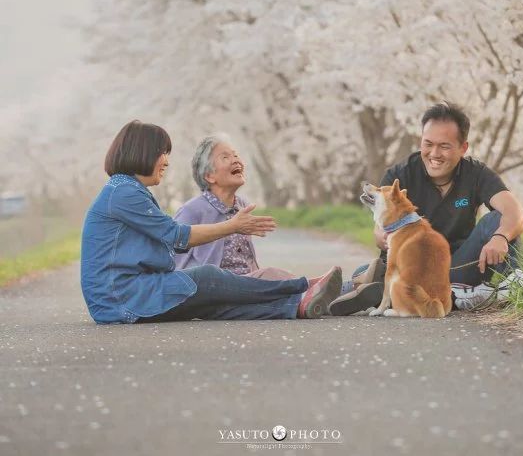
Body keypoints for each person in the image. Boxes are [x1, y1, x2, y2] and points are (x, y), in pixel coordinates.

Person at [81, 121, 342, 324]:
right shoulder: (123, 193)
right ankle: (305, 286)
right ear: (143, 152)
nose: (167, 161)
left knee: (212, 304)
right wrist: (232, 226)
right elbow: (176, 236)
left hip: (124, 297)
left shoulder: (127, 190)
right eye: (163, 152)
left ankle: (298, 306)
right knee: (207, 278)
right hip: (122, 297)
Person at [329, 101, 523, 315]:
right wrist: (382, 235)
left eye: (444, 146)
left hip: (457, 266)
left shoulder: (476, 173)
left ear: (463, 148)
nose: (434, 153)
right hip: (411, 267)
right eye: (428, 144)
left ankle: (513, 290)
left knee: (499, 220)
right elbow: (379, 228)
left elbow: (516, 213)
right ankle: (442, 295)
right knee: (371, 271)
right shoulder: (400, 174)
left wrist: (501, 237)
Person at [173, 134, 296, 280]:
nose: (236, 160)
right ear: (209, 176)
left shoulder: (242, 205)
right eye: (225, 158)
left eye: (236, 155)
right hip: (214, 287)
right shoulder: (192, 210)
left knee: (277, 280)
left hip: (245, 283)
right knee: (274, 276)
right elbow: (172, 257)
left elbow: (246, 260)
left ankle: (313, 289)